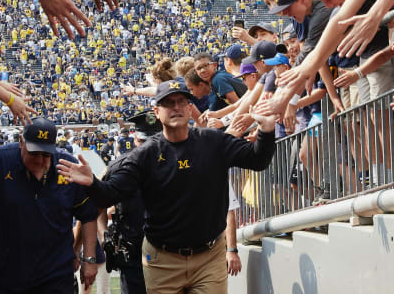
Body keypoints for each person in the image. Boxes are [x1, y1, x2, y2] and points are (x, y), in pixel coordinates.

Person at [57, 80, 277, 294]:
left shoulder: (213, 141)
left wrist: (267, 131)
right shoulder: (145, 155)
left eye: (182, 101)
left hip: (209, 255)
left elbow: (258, 160)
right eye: (168, 103)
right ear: (157, 111)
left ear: (191, 108)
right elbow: (109, 195)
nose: (176, 107)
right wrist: (91, 183)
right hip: (163, 258)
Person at [0, 117, 99, 293]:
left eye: (46, 154)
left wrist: (89, 258)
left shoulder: (67, 165)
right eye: (34, 153)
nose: (40, 161)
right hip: (11, 271)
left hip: (58, 272)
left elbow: (89, 215)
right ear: (21, 142)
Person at [103, 111, 162, 294]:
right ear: (135, 138)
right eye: (143, 142)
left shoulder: (174, 163)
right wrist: (105, 236)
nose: (146, 148)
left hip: (167, 253)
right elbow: (97, 206)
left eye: (152, 142)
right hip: (132, 253)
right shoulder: (118, 167)